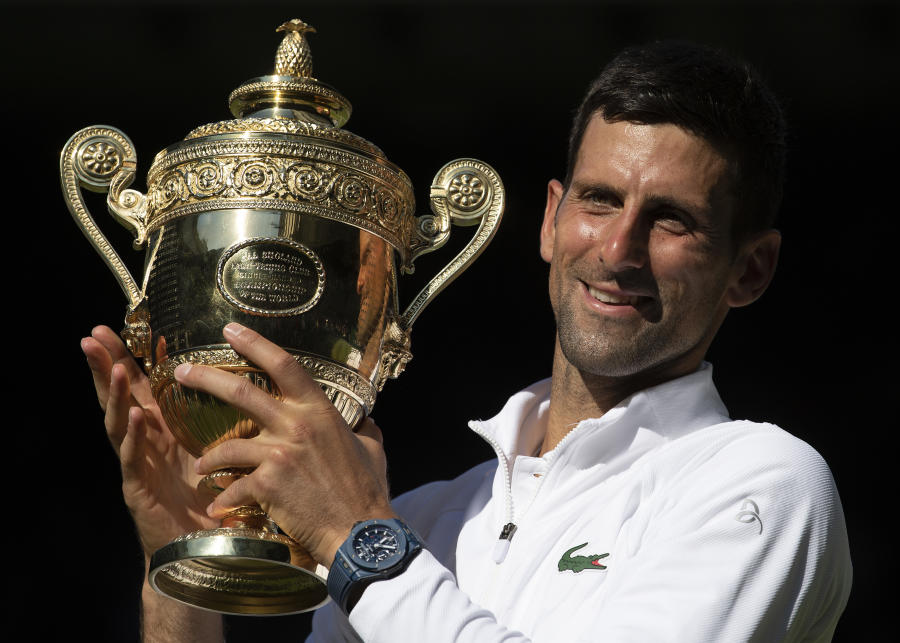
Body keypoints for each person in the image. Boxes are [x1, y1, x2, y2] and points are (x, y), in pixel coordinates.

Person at [81, 40, 852, 642]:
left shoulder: (761, 483)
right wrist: (176, 561)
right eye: (599, 200)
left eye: (671, 220)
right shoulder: (424, 521)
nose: (619, 250)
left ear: (750, 269)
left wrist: (356, 538)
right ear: (551, 221)